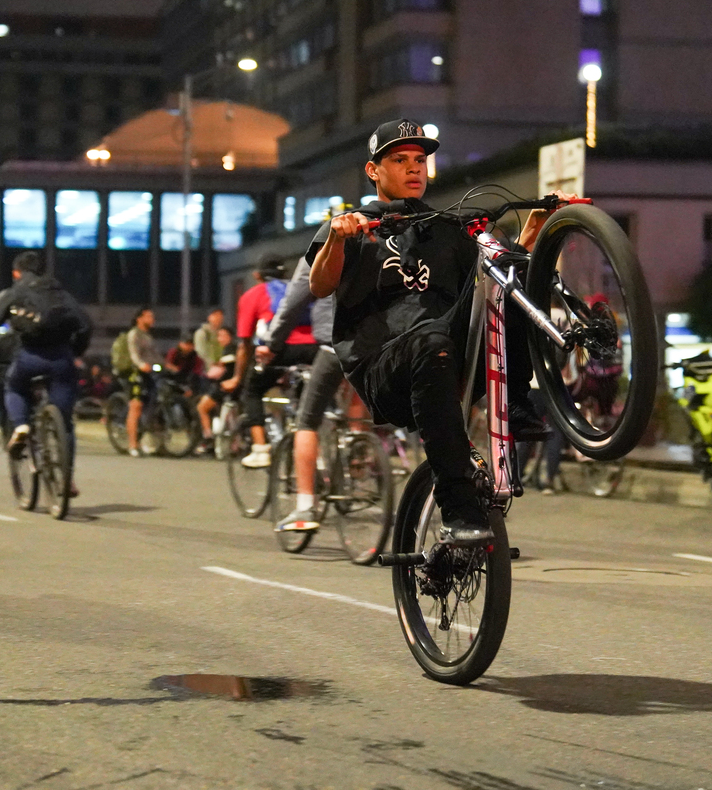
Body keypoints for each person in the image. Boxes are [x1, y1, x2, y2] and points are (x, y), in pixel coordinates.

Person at [308, 119, 556, 544]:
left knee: (509, 275)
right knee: (432, 339)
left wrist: (537, 227)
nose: (414, 168)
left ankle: (516, 398)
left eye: (420, 160)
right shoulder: (354, 224)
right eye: (400, 160)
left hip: (445, 356)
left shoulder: (447, 226)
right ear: (374, 171)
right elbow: (320, 285)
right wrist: (336, 239)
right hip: (384, 369)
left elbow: (498, 268)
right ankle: (457, 508)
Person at [0, 251, 92, 492]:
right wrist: (75, 351)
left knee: (14, 386)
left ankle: (21, 426)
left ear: (16, 272)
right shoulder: (60, 293)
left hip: (29, 357)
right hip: (61, 359)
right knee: (65, 422)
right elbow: (85, 325)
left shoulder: (13, 293)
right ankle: (66, 478)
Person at [261, 252, 339, 532]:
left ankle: (305, 507)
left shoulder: (324, 246)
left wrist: (271, 343)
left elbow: (293, 302)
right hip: (383, 346)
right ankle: (360, 458)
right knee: (359, 404)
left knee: (307, 420)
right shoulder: (398, 238)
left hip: (335, 345)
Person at [226, 256, 319, 469]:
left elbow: (245, 344)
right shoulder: (301, 288)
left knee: (253, 389)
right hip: (314, 350)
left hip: (279, 350)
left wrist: (237, 377)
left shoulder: (254, 295)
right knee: (309, 403)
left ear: (257, 275)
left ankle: (260, 450)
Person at [117, 306, 164, 457]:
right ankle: (132, 445)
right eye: (149, 316)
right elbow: (134, 355)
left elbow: (156, 357)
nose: (152, 320)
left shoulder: (148, 336)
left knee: (152, 404)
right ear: (140, 318)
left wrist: (167, 366)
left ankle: (149, 440)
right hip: (134, 373)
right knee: (136, 406)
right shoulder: (134, 334)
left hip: (149, 373)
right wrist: (141, 365)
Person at [195, 326, 236, 452]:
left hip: (225, 387)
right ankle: (232, 444)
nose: (220, 338)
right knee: (230, 417)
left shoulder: (231, 349)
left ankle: (208, 438)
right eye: (219, 336)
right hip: (229, 387)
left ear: (230, 337)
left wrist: (215, 368)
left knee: (201, 407)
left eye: (223, 335)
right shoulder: (226, 350)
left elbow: (223, 368)